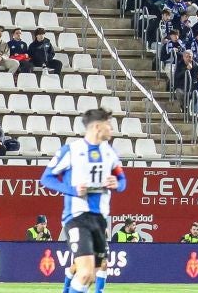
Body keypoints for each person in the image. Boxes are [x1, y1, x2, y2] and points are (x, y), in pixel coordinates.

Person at [40, 107, 128, 293]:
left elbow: (122, 181)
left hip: (100, 219)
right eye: (109, 125)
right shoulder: (72, 150)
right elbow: (46, 177)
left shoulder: (109, 153)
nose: (112, 130)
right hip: (77, 216)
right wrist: (72, 190)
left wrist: (116, 183)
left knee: (94, 273)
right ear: (97, 126)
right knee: (85, 273)